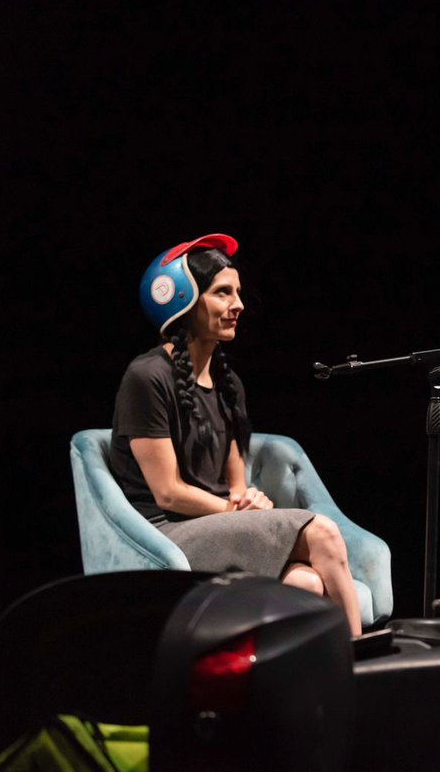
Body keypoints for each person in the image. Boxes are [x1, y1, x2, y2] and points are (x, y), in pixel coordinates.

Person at [108, 233, 364, 636]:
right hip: (164, 534)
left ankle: (305, 672)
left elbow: (236, 485)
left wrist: (248, 499)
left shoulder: (229, 384)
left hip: (216, 525)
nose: (239, 305)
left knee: (307, 584)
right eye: (222, 293)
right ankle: (362, 661)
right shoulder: (146, 376)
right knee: (323, 532)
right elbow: (168, 493)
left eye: (238, 293)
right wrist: (236, 511)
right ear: (183, 300)